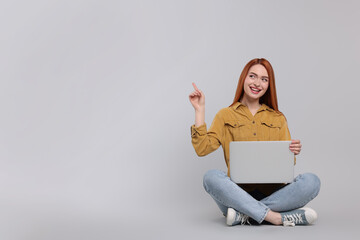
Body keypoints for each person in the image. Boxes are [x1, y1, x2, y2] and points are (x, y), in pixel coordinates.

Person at [188, 58, 321, 227]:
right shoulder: (225, 115)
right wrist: (200, 111)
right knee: (211, 177)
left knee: (312, 181)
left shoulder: (278, 118)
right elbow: (202, 148)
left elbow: (287, 165)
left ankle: (245, 215)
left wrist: (291, 151)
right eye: (252, 76)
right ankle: (276, 218)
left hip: (275, 194)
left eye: (264, 79)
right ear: (244, 78)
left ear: (269, 85)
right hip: (236, 194)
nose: (257, 83)